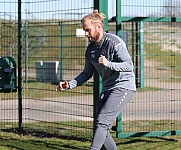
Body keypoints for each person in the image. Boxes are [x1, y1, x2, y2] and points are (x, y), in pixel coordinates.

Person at [57, 9, 136, 150]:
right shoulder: (90, 50)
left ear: (98, 27)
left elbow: (129, 65)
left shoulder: (114, 42)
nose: (86, 34)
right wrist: (69, 84)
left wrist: (108, 63)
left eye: (88, 30)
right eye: (84, 31)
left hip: (123, 86)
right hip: (108, 87)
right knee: (100, 127)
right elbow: (86, 73)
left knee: (102, 123)